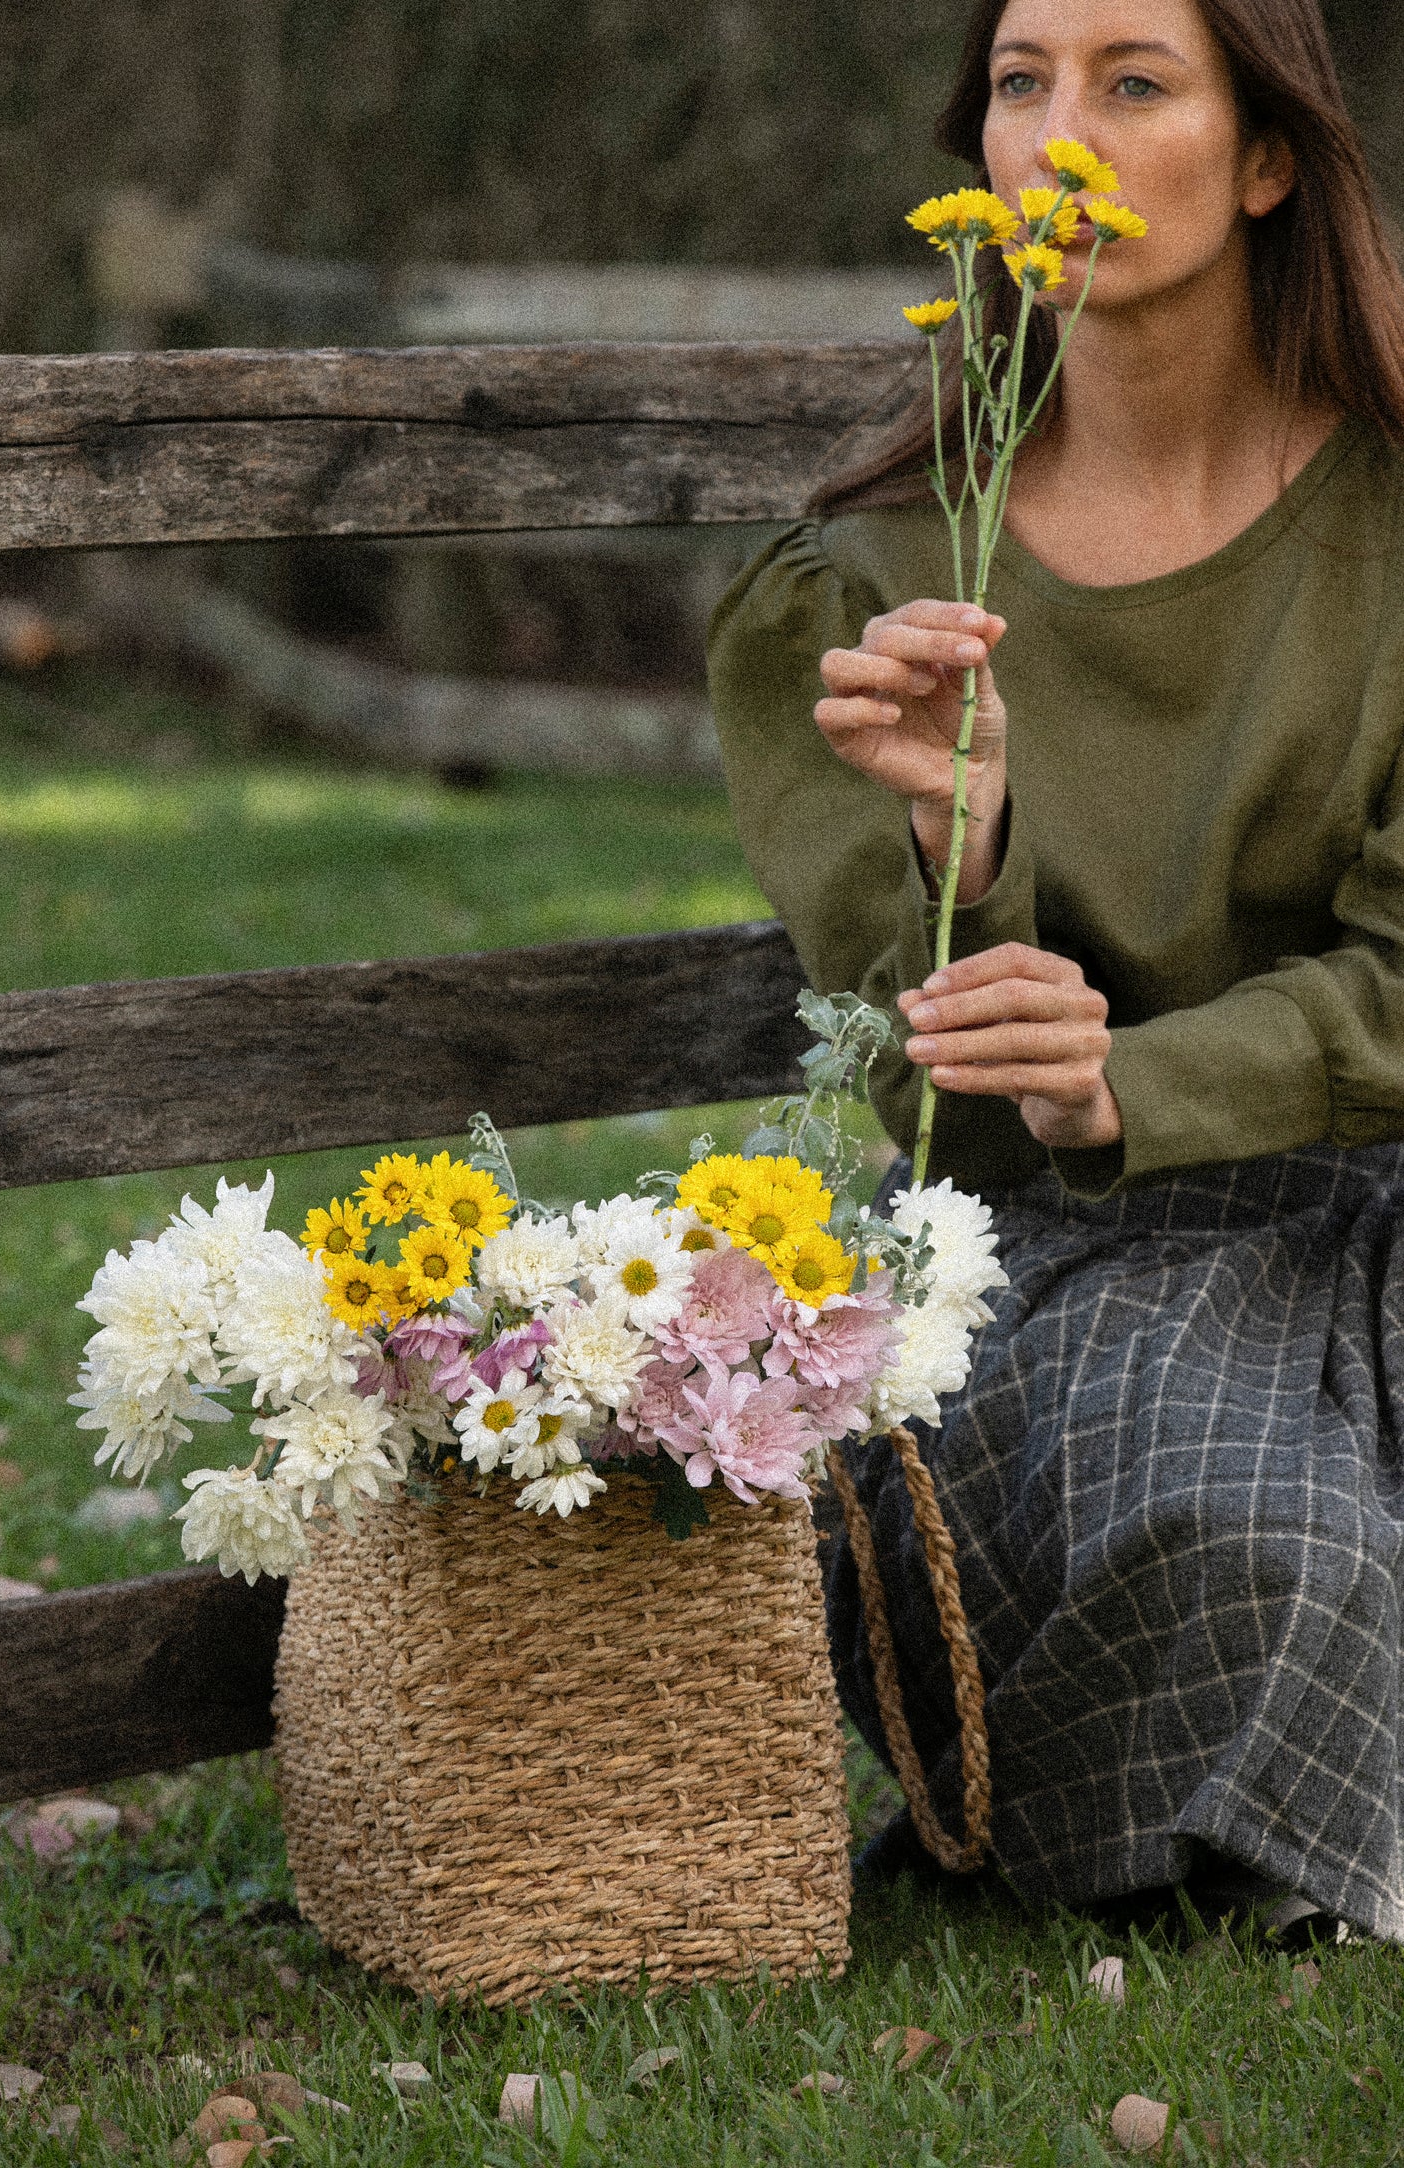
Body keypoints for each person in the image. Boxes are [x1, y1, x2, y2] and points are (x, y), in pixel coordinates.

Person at [707, 0, 1404, 1942]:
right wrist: (966, 852)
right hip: (1076, 1261)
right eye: (1022, 82)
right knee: (1254, 1534)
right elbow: (936, 1106)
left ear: (1268, 157)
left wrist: (1150, 1070)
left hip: (1381, 1195)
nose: (1058, 137)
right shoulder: (858, 597)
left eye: (1133, 81)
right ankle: (1226, 1845)